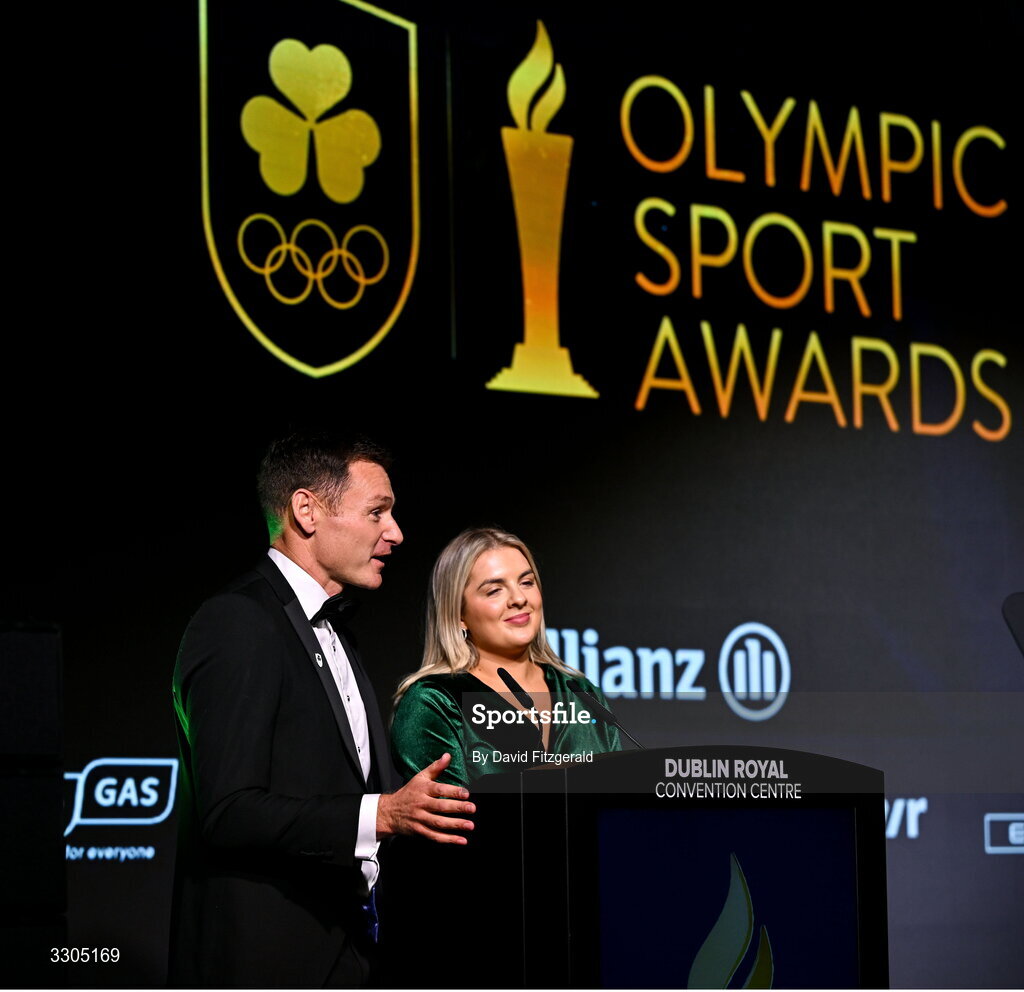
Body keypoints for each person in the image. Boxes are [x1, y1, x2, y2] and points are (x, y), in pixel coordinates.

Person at [169, 431, 475, 988]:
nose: (396, 533)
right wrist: (378, 814)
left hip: (350, 956)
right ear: (306, 510)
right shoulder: (238, 623)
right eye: (377, 512)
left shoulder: (336, 632)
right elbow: (228, 810)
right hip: (264, 966)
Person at [391, 527, 621, 787]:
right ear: (458, 614)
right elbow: (451, 818)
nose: (519, 598)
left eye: (526, 582)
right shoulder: (435, 700)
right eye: (494, 590)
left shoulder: (582, 694)